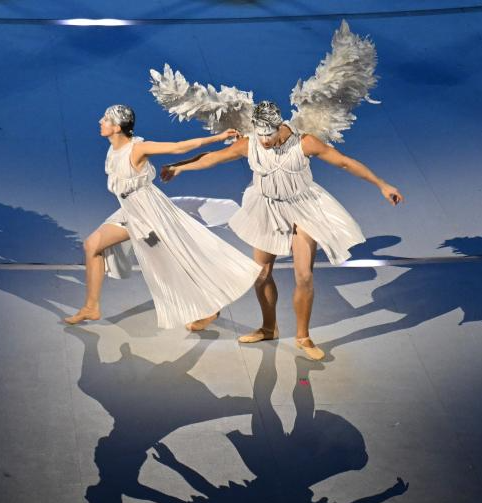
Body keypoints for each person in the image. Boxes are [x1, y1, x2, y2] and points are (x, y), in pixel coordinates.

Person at [161, 101, 403, 359]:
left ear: (279, 127)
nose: (264, 140)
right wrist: (179, 166)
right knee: (262, 273)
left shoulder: (305, 143)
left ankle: (303, 337)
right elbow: (213, 158)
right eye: (260, 134)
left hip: (303, 210)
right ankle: (269, 328)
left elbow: (344, 162)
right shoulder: (250, 144)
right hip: (267, 208)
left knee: (304, 276)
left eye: (269, 134)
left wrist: (382, 184)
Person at [65, 104, 261, 331]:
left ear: (117, 127)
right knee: (92, 245)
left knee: (174, 264)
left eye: (106, 119)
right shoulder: (113, 149)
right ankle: (91, 307)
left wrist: (218, 138)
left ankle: (211, 307)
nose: (101, 121)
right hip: (129, 211)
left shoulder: (137, 149)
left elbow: (178, 147)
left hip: (149, 215)